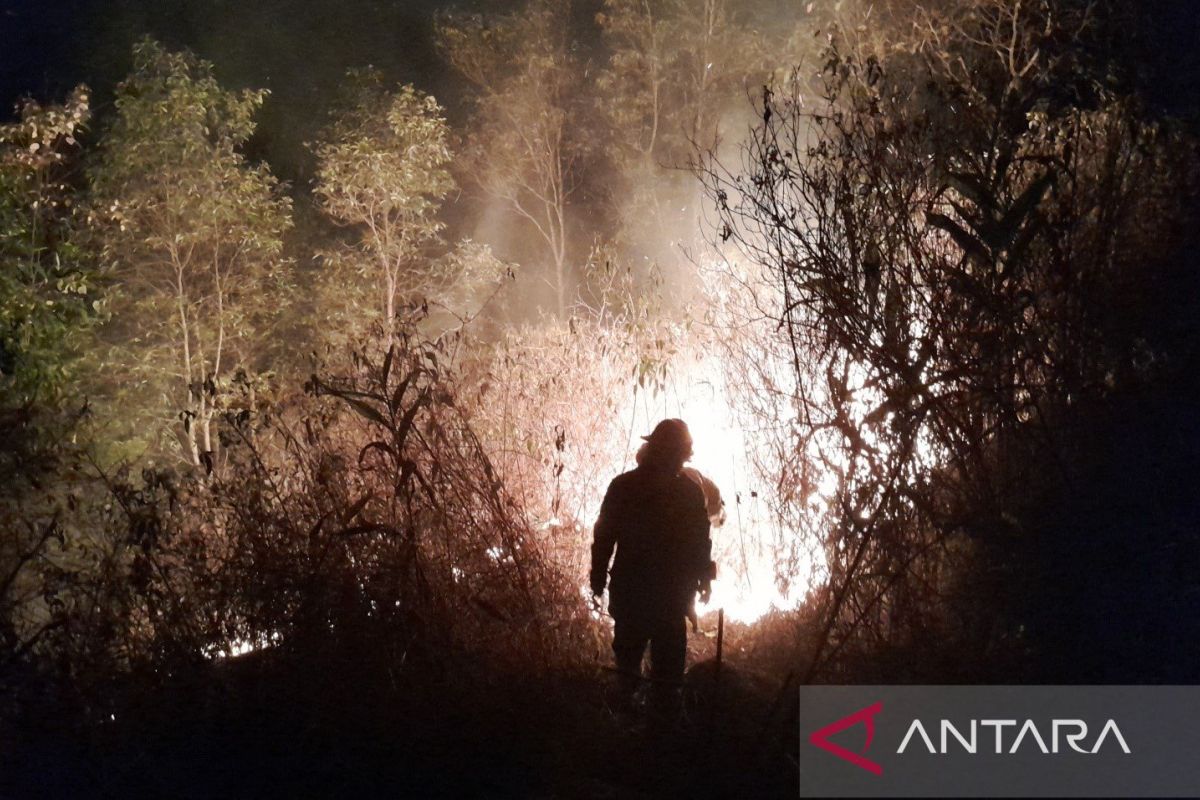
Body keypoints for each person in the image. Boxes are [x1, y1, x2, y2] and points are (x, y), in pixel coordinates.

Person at [590, 418, 716, 714]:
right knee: (664, 680)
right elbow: (700, 544)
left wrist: (598, 576)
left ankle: (633, 730)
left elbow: (604, 536)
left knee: (637, 674)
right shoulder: (687, 493)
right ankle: (654, 735)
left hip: (641, 597)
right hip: (666, 600)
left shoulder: (625, 486)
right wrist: (703, 579)